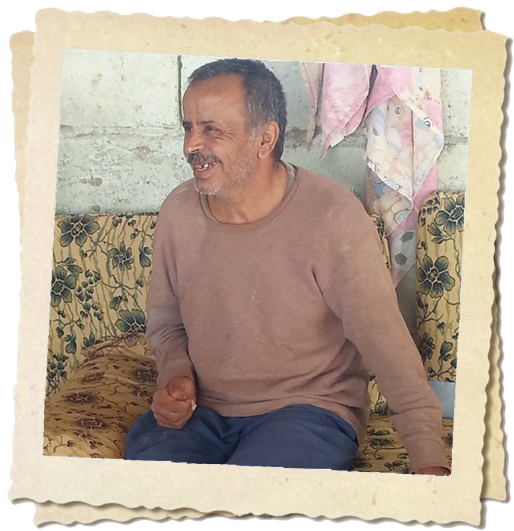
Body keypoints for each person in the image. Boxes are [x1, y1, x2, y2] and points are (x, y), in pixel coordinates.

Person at [124, 59, 450, 475]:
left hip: (309, 413)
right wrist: (176, 377)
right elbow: (167, 326)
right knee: (149, 483)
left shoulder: (332, 217)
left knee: (251, 495)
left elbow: (387, 347)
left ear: (265, 139)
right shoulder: (178, 211)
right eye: (189, 127)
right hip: (203, 415)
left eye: (211, 130)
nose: (191, 145)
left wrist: (429, 461)